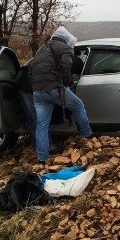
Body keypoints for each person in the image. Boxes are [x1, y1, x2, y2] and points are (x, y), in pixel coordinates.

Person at [30, 27, 92, 163]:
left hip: (37, 91)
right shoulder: (65, 48)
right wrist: (68, 82)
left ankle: (42, 158)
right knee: (78, 105)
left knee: (41, 125)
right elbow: (66, 66)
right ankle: (87, 136)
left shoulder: (41, 49)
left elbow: (31, 68)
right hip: (54, 89)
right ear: (66, 39)